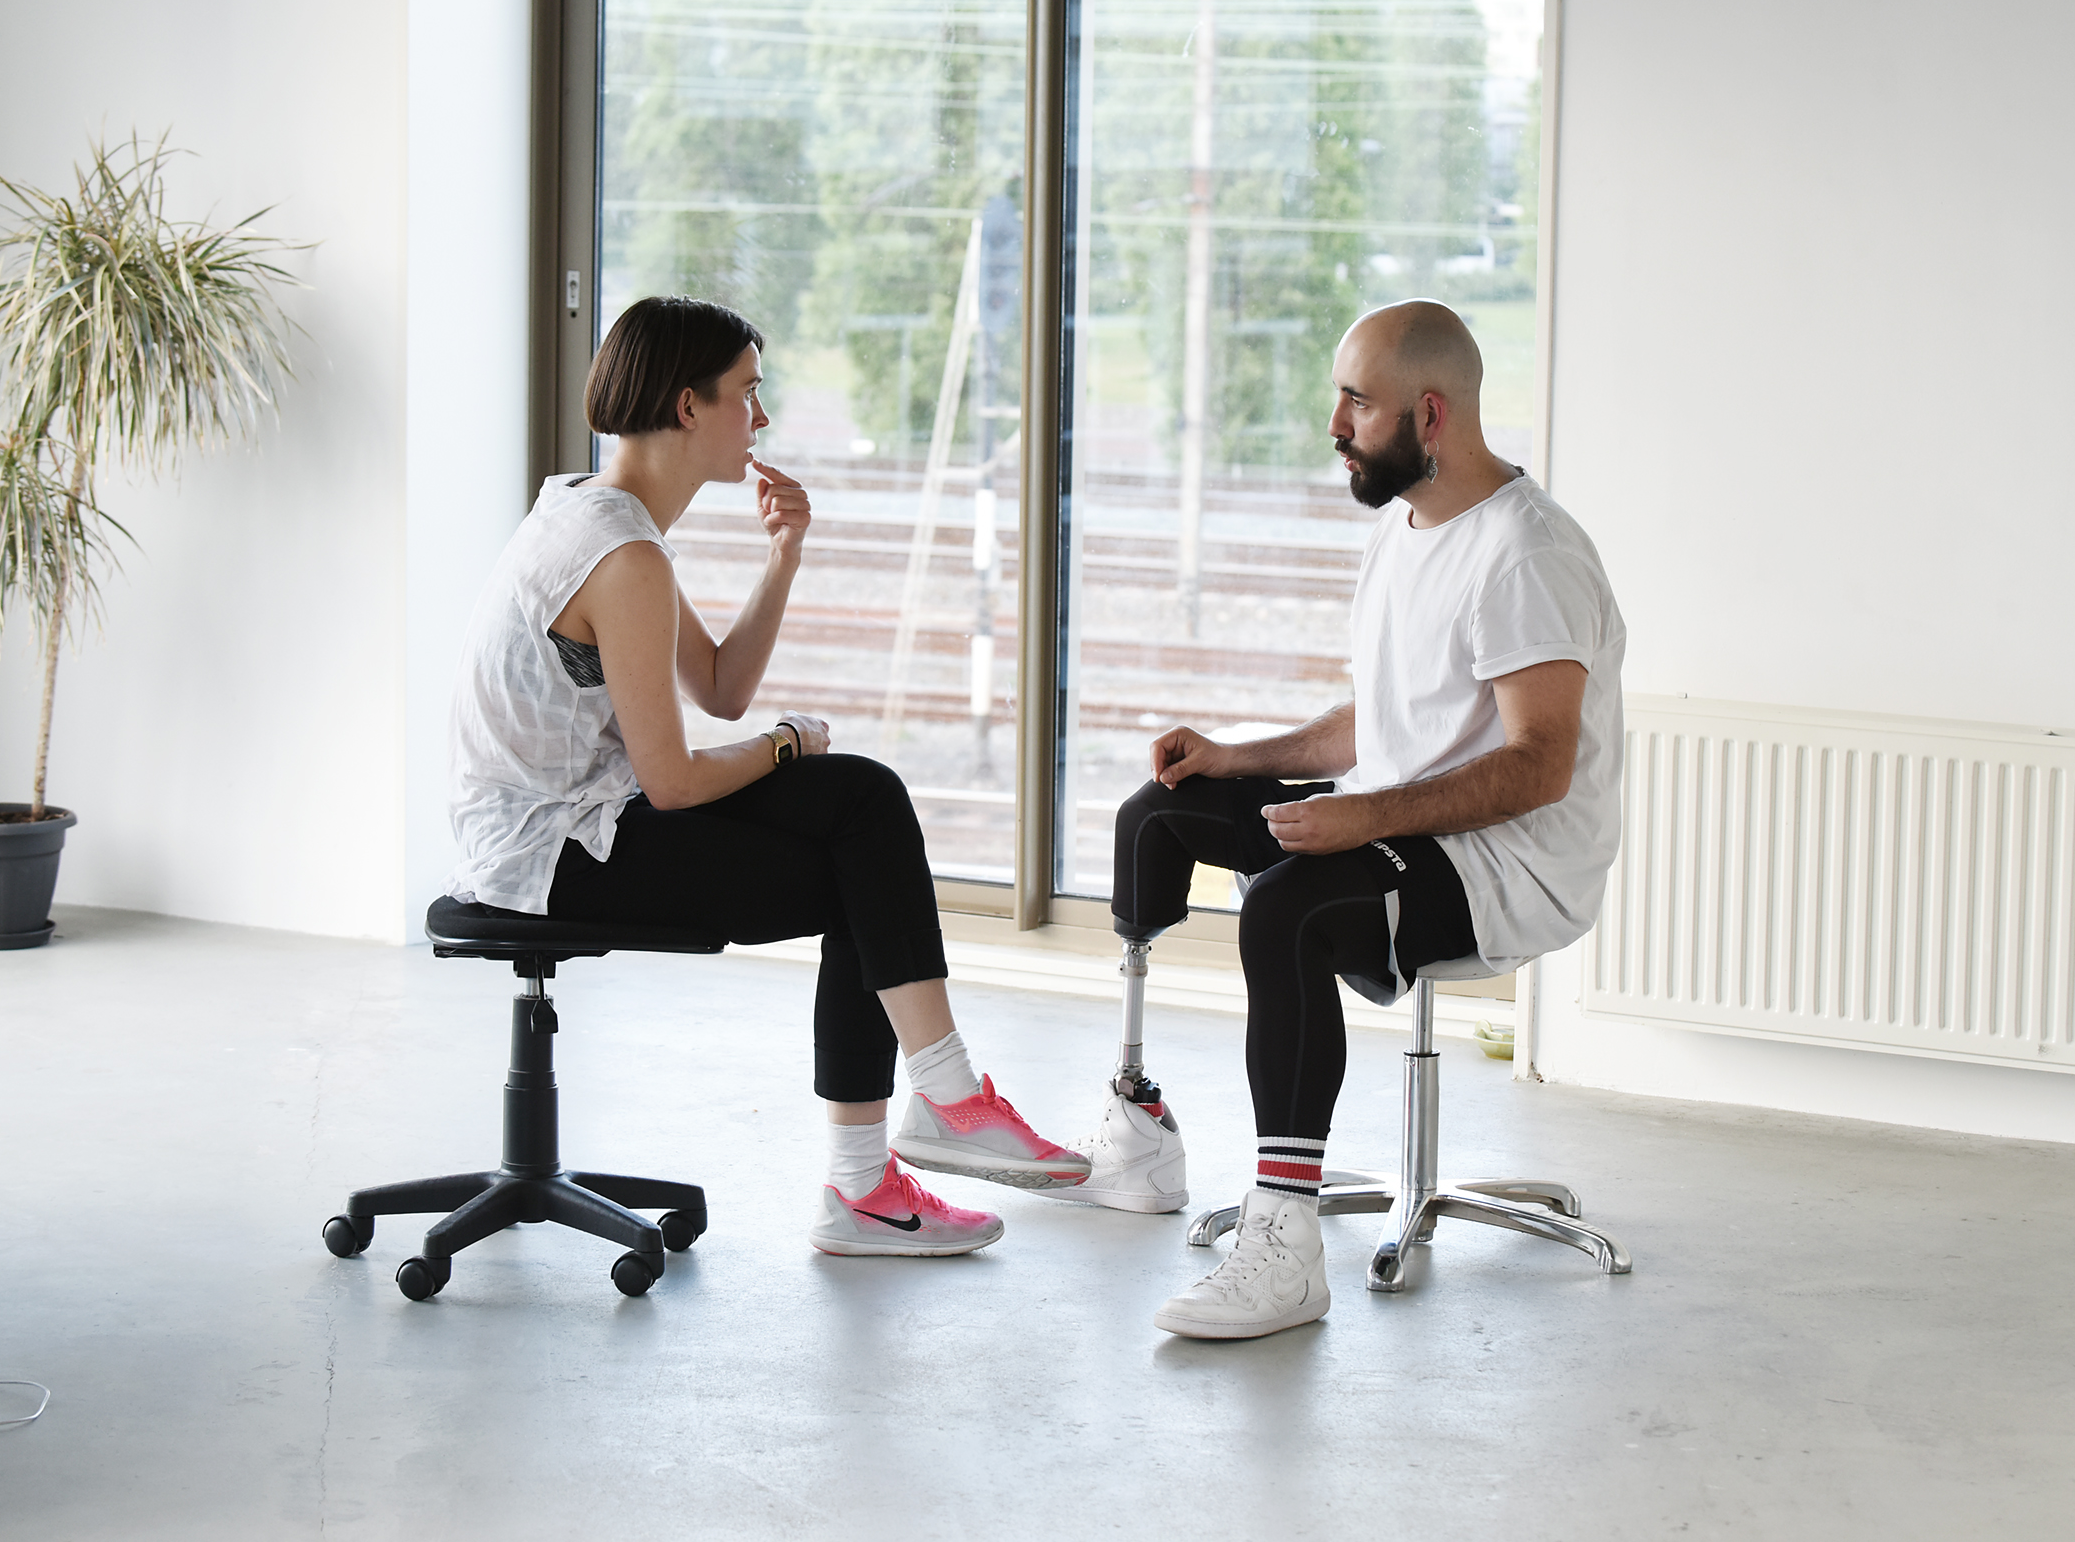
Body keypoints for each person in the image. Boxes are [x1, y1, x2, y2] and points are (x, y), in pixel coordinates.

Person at [444, 295, 1088, 1258]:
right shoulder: (622, 555)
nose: (764, 415)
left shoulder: (597, 510)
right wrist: (787, 742)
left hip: (578, 819)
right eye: (748, 392)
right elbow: (672, 780)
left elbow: (718, 688)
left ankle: (928, 1119)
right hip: (550, 856)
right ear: (688, 406)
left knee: (863, 799)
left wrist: (784, 556)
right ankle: (894, 1156)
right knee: (859, 866)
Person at [1087, 300, 1626, 1338]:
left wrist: (1361, 815)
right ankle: (1133, 1118)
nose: (1334, 425)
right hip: (1403, 826)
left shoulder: (1527, 555)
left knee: (1285, 907)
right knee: (1163, 810)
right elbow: (1385, 721)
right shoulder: (1401, 527)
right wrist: (1238, 757)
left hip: (1505, 864)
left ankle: (1284, 1245)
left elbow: (1540, 765)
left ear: (1430, 414)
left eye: (1357, 403)